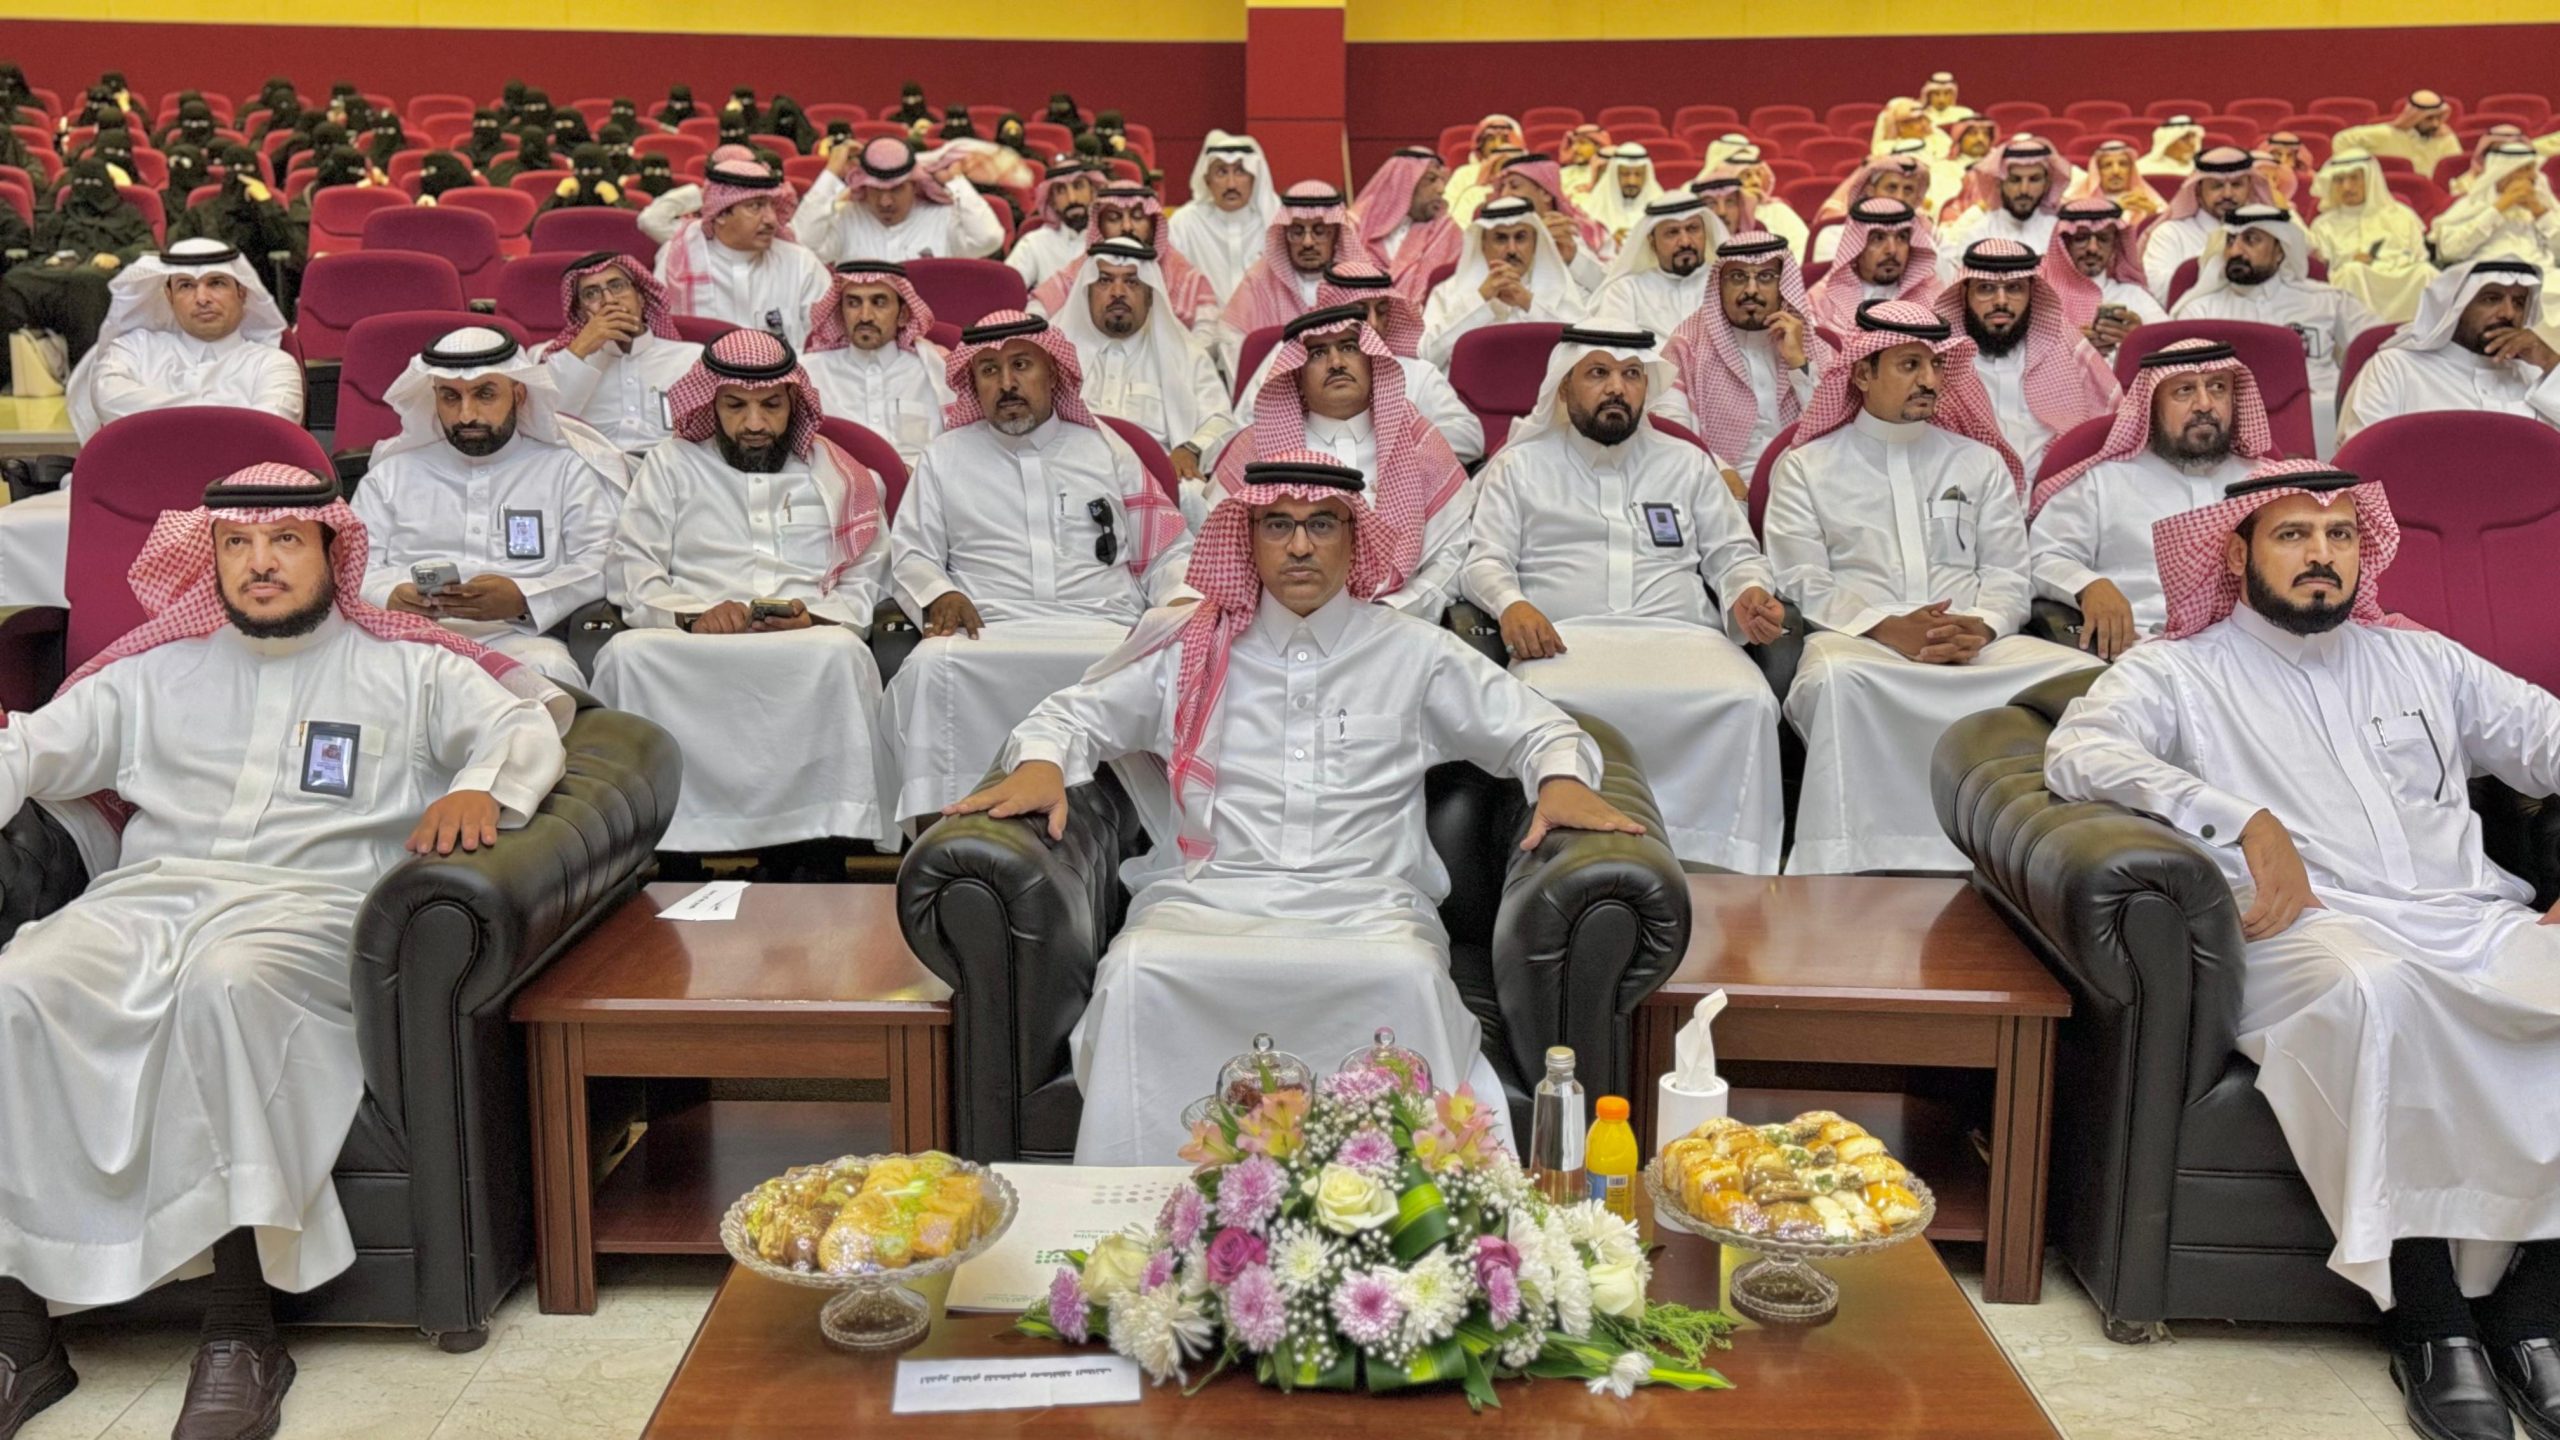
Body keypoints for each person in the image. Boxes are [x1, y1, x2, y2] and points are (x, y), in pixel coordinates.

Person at [0, 462, 567, 1440]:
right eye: (237, 544)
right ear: (210, 557)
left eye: (285, 542)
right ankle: (21, 1339)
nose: (259, 563)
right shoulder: (152, 671)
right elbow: (29, 748)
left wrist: (484, 787)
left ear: (333, 551)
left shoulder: (408, 668)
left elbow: (524, 718)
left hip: (308, 913)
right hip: (149, 903)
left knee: (226, 987)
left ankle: (241, 1332)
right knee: (16, 986)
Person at [2042, 459, 2560, 1440]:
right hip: (2310, 933)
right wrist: (2241, 818)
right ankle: (2430, 1322)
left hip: (2466, 919)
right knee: (2377, 993)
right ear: (2234, 552)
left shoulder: (2425, 661)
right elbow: (2079, 753)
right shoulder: (2179, 673)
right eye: (2293, 534)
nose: (2321, 555)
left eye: (2340, 535)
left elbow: (2551, 737)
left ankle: (2535, 1313)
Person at [948, 453, 1641, 1165]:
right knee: (1136, 972)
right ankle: (1143, 1208)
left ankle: (1402, 1205)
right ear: (1248, 540)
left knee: (1405, 974)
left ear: (1355, 538)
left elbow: (1543, 729)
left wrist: (1558, 780)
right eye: (1278, 525)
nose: (1300, 545)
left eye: (1322, 525)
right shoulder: (1193, 649)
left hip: (1369, 908)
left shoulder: (1416, 653)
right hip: (1210, 900)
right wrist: (1042, 763)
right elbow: (1070, 716)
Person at [1762, 300, 2097, 873]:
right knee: (1838, 681)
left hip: (1976, 641)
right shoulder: (1806, 466)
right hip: (1860, 641)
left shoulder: (1979, 462)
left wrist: (1982, 627)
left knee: (2081, 681)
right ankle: (1851, 859)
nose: (1929, 380)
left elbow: (2008, 573)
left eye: (1936, 366)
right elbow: (1802, 577)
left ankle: (2045, 860)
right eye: (1909, 365)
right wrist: (1885, 627)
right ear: (1862, 373)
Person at [1462, 326, 1788, 871]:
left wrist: (1747, 594)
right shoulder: (1519, 467)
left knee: (1747, 698)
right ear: (1564, 388)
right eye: (1598, 373)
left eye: (1632, 375)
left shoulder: (1686, 464)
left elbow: (1734, 554)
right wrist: (1511, 604)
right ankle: (1569, 868)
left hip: (1685, 639)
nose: (1617, 387)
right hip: (1564, 643)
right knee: (1542, 698)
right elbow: (1484, 560)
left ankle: (1728, 872)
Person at [593, 330, 900, 860]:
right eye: (735, 406)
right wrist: (691, 616)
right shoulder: (671, 464)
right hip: (696, 638)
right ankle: (668, 844)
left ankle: (817, 846)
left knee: (842, 654)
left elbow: (869, 574)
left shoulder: (841, 474)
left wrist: (817, 619)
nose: (754, 423)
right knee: (626, 655)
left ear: (794, 403)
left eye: (771, 406)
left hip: (805, 637)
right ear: (711, 404)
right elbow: (633, 567)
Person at [881, 312, 1195, 824]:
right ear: (972, 383)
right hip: (989, 631)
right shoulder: (944, 457)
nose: (1006, 383)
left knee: (1161, 666)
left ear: (1052, 373)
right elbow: (913, 554)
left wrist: (1179, 600)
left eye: (1021, 365)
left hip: (1106, 630)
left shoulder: (1105, 449)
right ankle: (948, 834)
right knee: (928, 668)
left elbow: (1166, 551)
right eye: (989, 370)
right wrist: (939, 594)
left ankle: (1128, 828)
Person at [355, 327, 629, 685]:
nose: (466, 415)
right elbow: (352, 567)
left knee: (550, 671)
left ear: (518, 394)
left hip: (516, 638)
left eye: (485, 394)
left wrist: (524, 598)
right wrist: (389, 595)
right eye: (450, 397)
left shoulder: (566, 469)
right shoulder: (391, 475)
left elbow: (600, 562)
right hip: (404, 638)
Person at [1203, 303, 1471, 613]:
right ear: (1297, 376)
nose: (1336, 362)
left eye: (1349, 347)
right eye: (1317, 353)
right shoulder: (1255, 449)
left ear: (1372, 362)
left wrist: (1391, 613)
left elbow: (1449, 558)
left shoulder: (1420, 442)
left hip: (1399, 622)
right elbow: (1221, 555)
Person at [2026, 339, 2277, 655]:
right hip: (2139, 648)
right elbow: (2044, 555)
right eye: (2184, 390)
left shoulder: (2269, 483)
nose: (2204, 404)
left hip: (2256, 649)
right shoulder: (2102, 481)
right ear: (2152, 406)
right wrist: (2088, 586)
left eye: (2217, 388)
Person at [1219, 263, 1482, 468]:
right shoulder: (1290, 359)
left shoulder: (1417, 373)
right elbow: (1244, 431)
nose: (1374, 323)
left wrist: (1387, 449)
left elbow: (1469, 437)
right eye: (1361, 311)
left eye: (1382, 311)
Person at [2173, 204, 2376, 454]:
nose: (2236, 251)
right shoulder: (2201, 311)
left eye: (2251, 240)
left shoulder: (2327, 301)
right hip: (2233, 431)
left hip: (2325, 420)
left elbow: (2376, 347)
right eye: (2231, 241)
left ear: (2280, 250)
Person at [1933, 238, 2120, 478]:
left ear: (2032, 292)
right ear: (1964, 292)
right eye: (1986, 288)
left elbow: (2112, 423)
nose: (2001, 301)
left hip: (2060, 486)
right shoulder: (1941, 358)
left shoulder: (2064, 343)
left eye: (2014, 288)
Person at [1665, 231, 1832, 485]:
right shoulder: (1686, 346)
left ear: (1783, 285)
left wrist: (1799, 363)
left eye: (1765, 277)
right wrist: (1719, 471)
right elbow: (1672, 430)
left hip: (1806, 481)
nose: (1751, 290)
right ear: (1719, 285)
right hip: (1715, 485)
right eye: (1737, 277)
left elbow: (1834, 432)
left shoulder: (1812, 346)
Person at [1057, 236, 1237, 469]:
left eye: (1132, 282)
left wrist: (1191, 450)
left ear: (1151, 295)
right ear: (1087, 292)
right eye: (1105, 280)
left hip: (1157, 476)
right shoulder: (1055, 353)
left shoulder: (1185, 353)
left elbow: (1221, 421)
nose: (1118, 292)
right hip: (1072, 473)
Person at [2338, 259, 2560, 443]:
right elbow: (2363, 460)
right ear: (2456, 307)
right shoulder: (2394, 368)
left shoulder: (2537, 373)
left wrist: (2551, 363)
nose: (2508, 313)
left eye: (2519, 302)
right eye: (2491, 299)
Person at [531, 250, 705, 454]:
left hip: (670, 465)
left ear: (641, 297)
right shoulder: (555, 358)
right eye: (591, 294)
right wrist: (580, 348)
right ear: (580, 312)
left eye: (617, 286)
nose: (609, 300)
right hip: (589, 467)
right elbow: (542, 426)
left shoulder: (692, 358)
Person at [0, 159, 153, 385]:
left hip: (101, 276)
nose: (87, 189)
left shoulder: (128, 214)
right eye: (81, 182)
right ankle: (11, 372)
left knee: (85, 280)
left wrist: (117, 257)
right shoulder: (65, 213)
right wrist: (48, 259)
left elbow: (146, 245)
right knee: (14, 281)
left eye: (94, 183)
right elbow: (39, 248)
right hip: (58, 274)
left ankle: (86, 376)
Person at [653, 158, 829, 346]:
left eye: (772, 205)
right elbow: (659, 339)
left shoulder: (801, 263)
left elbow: (827, 344)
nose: (771, 219)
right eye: (755, 206)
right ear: (721, 214)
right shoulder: (677, 261)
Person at [800, 259, 953, 470]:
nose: (865, 316)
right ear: (840, 313)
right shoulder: (808, 375)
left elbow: (952, 452)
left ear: (903, 315)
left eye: (879, 302)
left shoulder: (935, 372)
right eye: (853, 303)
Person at [1212, 181, 1366, 372]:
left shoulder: (1360, 283)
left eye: (1319, 231)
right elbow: (1230, 339)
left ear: (1336, 234)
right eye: (1296, 232)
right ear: (1284, 234)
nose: (1307, 242)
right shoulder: (1259, 281)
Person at [1027, 181, 1221, 329]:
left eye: (1137, 217)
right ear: (1100, 226)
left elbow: (1207, 329)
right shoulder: (1083, 268)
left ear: (1153, 224)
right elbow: (1038, 308)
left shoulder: (1180, 271)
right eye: (1114, 218)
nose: (1127, 227)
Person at [1419, 196, 1587, 366]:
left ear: (1535, 243)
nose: (1512, 249)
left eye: (1520, 237)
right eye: (1501, 238)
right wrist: (1480, 300)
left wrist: (1529, 303)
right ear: (1483, 244)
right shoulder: (1448, 292)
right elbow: (1425, 355)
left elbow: (1585, 350)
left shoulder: (1560, 286)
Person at [800, 136, 1002, 265]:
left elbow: (988, 239)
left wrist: (956, 181)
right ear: (864, 187)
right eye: (876, 190)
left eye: (896, 189)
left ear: (914, 185)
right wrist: (831, 172)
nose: (885, 202)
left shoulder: (941, 217)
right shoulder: (847, 217)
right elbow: (804, 244)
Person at [2306, 150, 2438, 325]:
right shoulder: (2323, 225)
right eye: (2339, 180)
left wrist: (2394, 259)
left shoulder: (2402, 215)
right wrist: (2350, 259)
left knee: (2425, 272)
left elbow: (2419, 256)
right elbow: (2323, 270)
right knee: (2352, 272)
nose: (2346, 187)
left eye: (2354, 178)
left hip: (2400, 278)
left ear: (2370, 179)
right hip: (2356, 280)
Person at [2141, 147, 2280, 300]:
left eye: (2236, 185)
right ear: (2198, 190)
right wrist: (2211, 259)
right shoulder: (2170, 233)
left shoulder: (2268, 234)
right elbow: (2156, 293)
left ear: (2250, 188)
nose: (2227, 194)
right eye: (2217, 186)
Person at [2040, 198, 2169, 357]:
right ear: (2065, 243)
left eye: (2103, 239)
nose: (2093, 249)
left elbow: (2173, 346)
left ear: (2115, 244)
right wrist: (2069, 347)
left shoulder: (2133, 294)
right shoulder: (2042, 296)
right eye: (2081, 238)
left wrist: (2140, 338)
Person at [1583, 195, 1725, 338]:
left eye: (1692, 229)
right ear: (1652, 242)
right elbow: (1614, 346)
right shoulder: (1627, 290)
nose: (1685, 242)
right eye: (1672, 232)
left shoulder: (1724, 283)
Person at [1165, 130, 1280, 307]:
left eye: (1240, 171)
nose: (1231, 184)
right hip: (1201, 322)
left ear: (1254, 178)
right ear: (1207, 180)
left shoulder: (1273, 220)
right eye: (1221, 172)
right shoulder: (1185, 223)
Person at [1803, 196, 1940, 333]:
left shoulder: (1932, 295)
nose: (1892, 250)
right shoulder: (1822, 302)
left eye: (1901, 237)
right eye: (1878, 238)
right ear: (1856, 246)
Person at [1349, 145, 1460, 311]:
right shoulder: (1356, 226)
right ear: (1404, 182)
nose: (1441, 190)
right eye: (1431, 180)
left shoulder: (1447, 231)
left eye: (1442, 181)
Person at [1489, 151, 1615, 291]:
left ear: (1545, 193)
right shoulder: (1489, 236)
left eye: (1514, 186)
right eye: (1502, 187)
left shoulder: (1584, 233)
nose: (1505, 194)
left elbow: (1611, 289)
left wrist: (1573, 257)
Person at [2431, 142, 2560, 269]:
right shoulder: (2471, 205)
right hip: (2488, 273)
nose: (2534, 176)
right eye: (2524, 169)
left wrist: (2540, 213)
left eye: (2533, 168)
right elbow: (2450, 252)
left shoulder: (2544, 204)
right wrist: (2498, 208)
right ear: (2502, 173)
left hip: (2542, 272)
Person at [1939, 137, 2073, 253]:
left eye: (2034, 180)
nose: (2024, 190)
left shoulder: (2061, 234)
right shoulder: (1978, 234)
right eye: (2015, 180)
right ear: (1999, 183)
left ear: (2047, 184)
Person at [1004, 159, 1098, 290]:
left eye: (1078, 186)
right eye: (1061, 191)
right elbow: (1006, 288)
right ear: (1052, 201)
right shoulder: (1034, 243)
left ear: (1093, 193)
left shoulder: (1109, 241)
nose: (1072, 198)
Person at [2331, 90, 2464, 173]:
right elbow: (2341, 140)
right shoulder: (2386, 134)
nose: (2435, 124)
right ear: (2415, 117)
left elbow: (2456, 172)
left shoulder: (2445, 138)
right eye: (2429, 118)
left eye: (2439, 118)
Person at [1445, 113, 1523, 224]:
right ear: (1480, 145)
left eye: (1505, 139)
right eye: (1491, 139)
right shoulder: (1464, 173)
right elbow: (1451, 215)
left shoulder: (1529, 174)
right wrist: (1479, 185)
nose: (1498, 145)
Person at [2066, 138, 2166, 224]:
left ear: (2131, 170)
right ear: (2097, 172)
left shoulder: (2148, 199)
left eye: (2123, 164)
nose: (2116, 171)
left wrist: (2153, 216)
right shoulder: (2079, 204)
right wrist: (2115, 210)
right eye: (2107, 165)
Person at [1582, 143, 1663, 243]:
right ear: (1615, 175)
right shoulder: (1593, 207)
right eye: (1625, 174)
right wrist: (1609, 241)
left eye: (1638, 174)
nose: (1632, 182)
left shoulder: (1660, 206)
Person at [1928, 116, 1999, 217]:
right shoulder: (1943, 167)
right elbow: (1941, 204)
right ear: (1959, 138)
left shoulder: (2000, 164)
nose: (1980, 139)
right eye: (1973, 134)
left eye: (1986, 134)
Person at [2138, 116, 2206, 180]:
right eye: (2184, 138)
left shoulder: (2203, 167)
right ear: (2167, 143)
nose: (2193, 144)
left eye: (2194, 137)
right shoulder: (2144, 169)